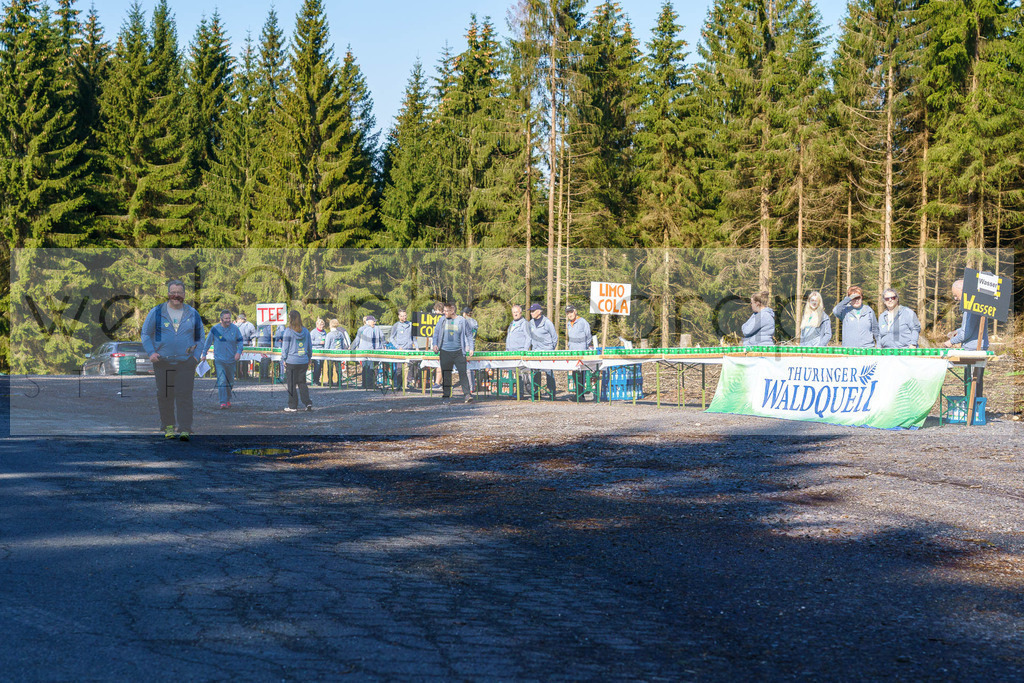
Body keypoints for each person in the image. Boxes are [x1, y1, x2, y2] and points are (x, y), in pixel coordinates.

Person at [140, 279, 204, 441]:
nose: (176, 295)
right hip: (163, 361)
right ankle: (168, 427)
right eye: (173, 292)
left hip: (185, 362)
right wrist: (151, 353)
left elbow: (200, 337)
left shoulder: (192, 313)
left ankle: (184, 428)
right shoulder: (157, 312)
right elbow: (146, 334)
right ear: (168, 294)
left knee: (184, 395)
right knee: (165, 395)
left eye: (179, 292)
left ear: (184, 295)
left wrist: (196, 357)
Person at [945, 278, 990, 397]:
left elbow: (967, 333)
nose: (955, 298)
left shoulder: (971, 307)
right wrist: (956, 331)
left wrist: (951, 342)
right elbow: (968, 327)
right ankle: (972, 408)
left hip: (974, 350)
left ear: (962, 290)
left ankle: (973, 409)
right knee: (973, 381)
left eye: (955, 294)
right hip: (974, 348)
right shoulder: (974, 303)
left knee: (973, 382)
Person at [431, 302, 475, 403]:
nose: (444, 312)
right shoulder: (442, 320)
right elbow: (436, 333)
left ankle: (467, 395)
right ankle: (446, 396)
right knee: (446, 374)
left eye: (446, 311)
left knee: (463, 373)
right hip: (445, 351)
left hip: (459, 351)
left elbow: (469, 335)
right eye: (444, 311)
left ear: (452, 311)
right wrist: (435, 344)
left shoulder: (462, 321)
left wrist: (471, 348)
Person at [202, 309, 244, 409]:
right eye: (226, 318)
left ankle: (228, 398)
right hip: (219, 359)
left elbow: (240, 342)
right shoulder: (215, 329)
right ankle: (223, 402)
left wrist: (238, 352)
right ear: (221, 319)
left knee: (230, 381)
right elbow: (208, 342)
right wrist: (204, 354)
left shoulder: (235, 329)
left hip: (231, 359)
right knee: (221, 380)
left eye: (229, 318)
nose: (228, 320)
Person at [280, 310, 313, 412]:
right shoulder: (306, 331)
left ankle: (292, 406)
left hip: (292, 361)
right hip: (303, 360)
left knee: (291, 384)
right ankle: (307, 402)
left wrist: (283, 359)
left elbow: (285, 347)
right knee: (302, 383)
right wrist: (309, 358)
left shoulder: (288, 331)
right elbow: (309, 346)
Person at [528, 303, 558, 398]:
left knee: (548, 372)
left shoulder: (547, 322)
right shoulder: (530, 323)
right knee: (536, 372)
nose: (531, 313)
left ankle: (552, 392)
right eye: (531, 312)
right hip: (535, 351)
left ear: (539, 312)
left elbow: (554, 337)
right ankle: (536, 392)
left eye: (533, 311)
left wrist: (550, 349)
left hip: (547, 351)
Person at [565, 305, 593, 402]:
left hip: (581, 351)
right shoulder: (569, 324)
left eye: (571, 312)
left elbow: (588, 336)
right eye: (568, 313)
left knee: (581, 374)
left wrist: (584, 347)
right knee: (574, 374)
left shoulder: (582, 322)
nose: (570, 314)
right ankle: (578, 394)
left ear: (575, 311)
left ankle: (581, 395)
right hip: (572, 352)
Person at [505, 304, 532, 398]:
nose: (515, 314)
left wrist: (525, 350)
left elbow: (528, 337)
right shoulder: (511, 324)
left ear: (521, 313)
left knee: (521, 374)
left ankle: (521, 393)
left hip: (520, 352)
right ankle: (518, 392)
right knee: (516, 374)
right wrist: (507, 349)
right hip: (511, 352)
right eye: (514, 312)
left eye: (517, 312)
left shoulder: (525, 323)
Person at [353, 315, 384, 389]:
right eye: (373, 321)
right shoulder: (370, 329)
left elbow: (356, 340)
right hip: (369, 352)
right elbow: (370, 342)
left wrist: (351, 348)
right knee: (370, 369)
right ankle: (370, 385)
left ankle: (364, 384)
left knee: (365, 368)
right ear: (368, 322)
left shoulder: (361, 329)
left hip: (362, 352)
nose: (374, 322)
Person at [389, 309, 416, 388]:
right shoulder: (396, 325)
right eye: (401, 316)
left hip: (409, 348)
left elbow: (414, 337)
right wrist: (397, 347)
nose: (404, 317)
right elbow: (391, 338)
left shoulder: (411, 324)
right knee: (399, 368)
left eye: (405, 315)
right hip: (400, 349)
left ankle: (409, 382)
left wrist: (416, 347)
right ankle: (399, 384)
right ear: (398, 316)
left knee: (410, 366)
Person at [323, 318, 347, 386]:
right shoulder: (340, 334)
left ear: (330, 325)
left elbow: (327, 346)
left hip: (331, 353)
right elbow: (342, 344)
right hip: (339, 353)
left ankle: (330, 382)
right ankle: (339, 381)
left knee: (330, 368)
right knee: (338, 368)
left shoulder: (329, 335)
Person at [461, 306, 479, 392]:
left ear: (466, 314)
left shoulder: (465, 321)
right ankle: (471, 386)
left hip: (466, 345)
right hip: (471, 344)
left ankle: (469, 387)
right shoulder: (474, 322)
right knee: (470, 368)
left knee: (467, 368)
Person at [235, 312, 256, 378]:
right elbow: (251, 335)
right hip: (244, 344)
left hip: (239, 344)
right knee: (245, 359)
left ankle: (238, 374)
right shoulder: (248, 325)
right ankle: (244, 374)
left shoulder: (236, 325)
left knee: (240, 359)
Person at [309, 317, 327, 386]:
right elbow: (310, 342)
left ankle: (318, 379)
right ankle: (315, 380)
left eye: (323, 325)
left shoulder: (324, 332)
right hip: (315, 352)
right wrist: (319, 342)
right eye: (320, 325)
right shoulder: (313, 332)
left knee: (321, 366)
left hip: (322, 351)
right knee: (318, 365)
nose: (321, 327)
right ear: (317, 325)